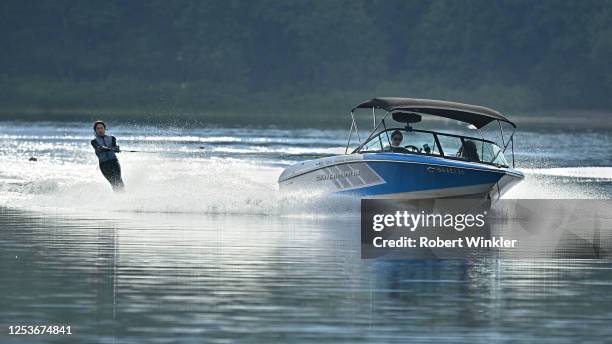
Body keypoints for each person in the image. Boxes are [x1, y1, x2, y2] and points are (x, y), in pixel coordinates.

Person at [91, 120, 125, 192]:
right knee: (113, 183)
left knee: (119, 180)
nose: (100, 130)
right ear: (95, 130)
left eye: (101, 128)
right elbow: (98, 148)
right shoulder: (94, 141)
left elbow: (115, 147)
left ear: (104, 128)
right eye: (98, 128)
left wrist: (116, 149)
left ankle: (125, 197)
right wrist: (106, 148)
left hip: (114, 162)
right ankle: (119, 198)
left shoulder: (112, 138)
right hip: (104, 165)